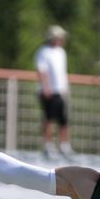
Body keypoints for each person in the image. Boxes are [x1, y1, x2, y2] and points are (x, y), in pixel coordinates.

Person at [34, 25, 72, 158]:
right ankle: (47, 144)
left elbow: (62, 72)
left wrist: (65, 88)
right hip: (49, 90)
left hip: (59, 90)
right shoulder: (43, 51)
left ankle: (64, 145)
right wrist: (45, 87)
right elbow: (42, 71)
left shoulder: (61, 52)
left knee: (63, 119)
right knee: (48, 118)